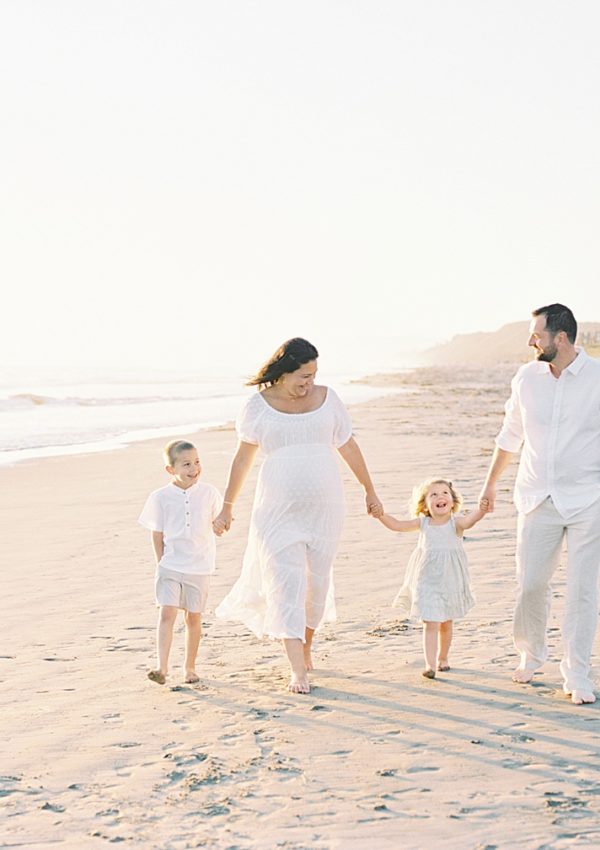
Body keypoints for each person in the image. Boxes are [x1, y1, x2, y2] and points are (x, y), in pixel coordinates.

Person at [212, 337, 383, 695]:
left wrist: (369, 489)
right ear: (284, 371)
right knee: (285, 585)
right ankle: (296, 671)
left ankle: (306, 647)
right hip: (275, 511)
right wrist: (228, 506)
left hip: (325, 511)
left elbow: (348, 445)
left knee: (316, 586)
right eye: (303, 375)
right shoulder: (257, 407)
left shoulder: (328, 399)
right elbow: (243, 458)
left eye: (314, 374)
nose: (309, 382)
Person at [479, 303, 600, 705]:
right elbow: (510, 433)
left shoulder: (597, 378)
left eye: (537, 334)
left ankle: (577, 673)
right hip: (536, 496)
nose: (531, 340)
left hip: (588, 499)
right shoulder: (526, 378)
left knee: (583, 591)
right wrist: (490, 484)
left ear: (560, 338)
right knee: (531, 584)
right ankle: (531, 654)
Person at [378, 478, 486, 678]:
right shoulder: (423, 523)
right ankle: (429, 665)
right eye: (433, 495)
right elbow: (398, 525)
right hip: (426, 580)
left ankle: (443, 658)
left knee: (446, 623)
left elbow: (472, 520)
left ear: (452, 502)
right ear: (425, 505)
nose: (440, 497)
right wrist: (380, 515)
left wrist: (483, 508)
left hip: (450, 581)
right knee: (430, 622)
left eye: (444, 493)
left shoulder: (456, 523)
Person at [139, 440, 221, 685]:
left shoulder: (209, 493)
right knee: (167, 613)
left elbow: (219, 521)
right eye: (186, 464)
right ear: (170, 469)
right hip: (170, 566)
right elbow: (157, 532)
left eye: (197, 462)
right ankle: (161, 668)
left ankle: (189, 668)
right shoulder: (160, 497)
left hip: (200, 566)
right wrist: (160, 562)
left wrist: (222, 523)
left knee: (193, 618)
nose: (194, 468)